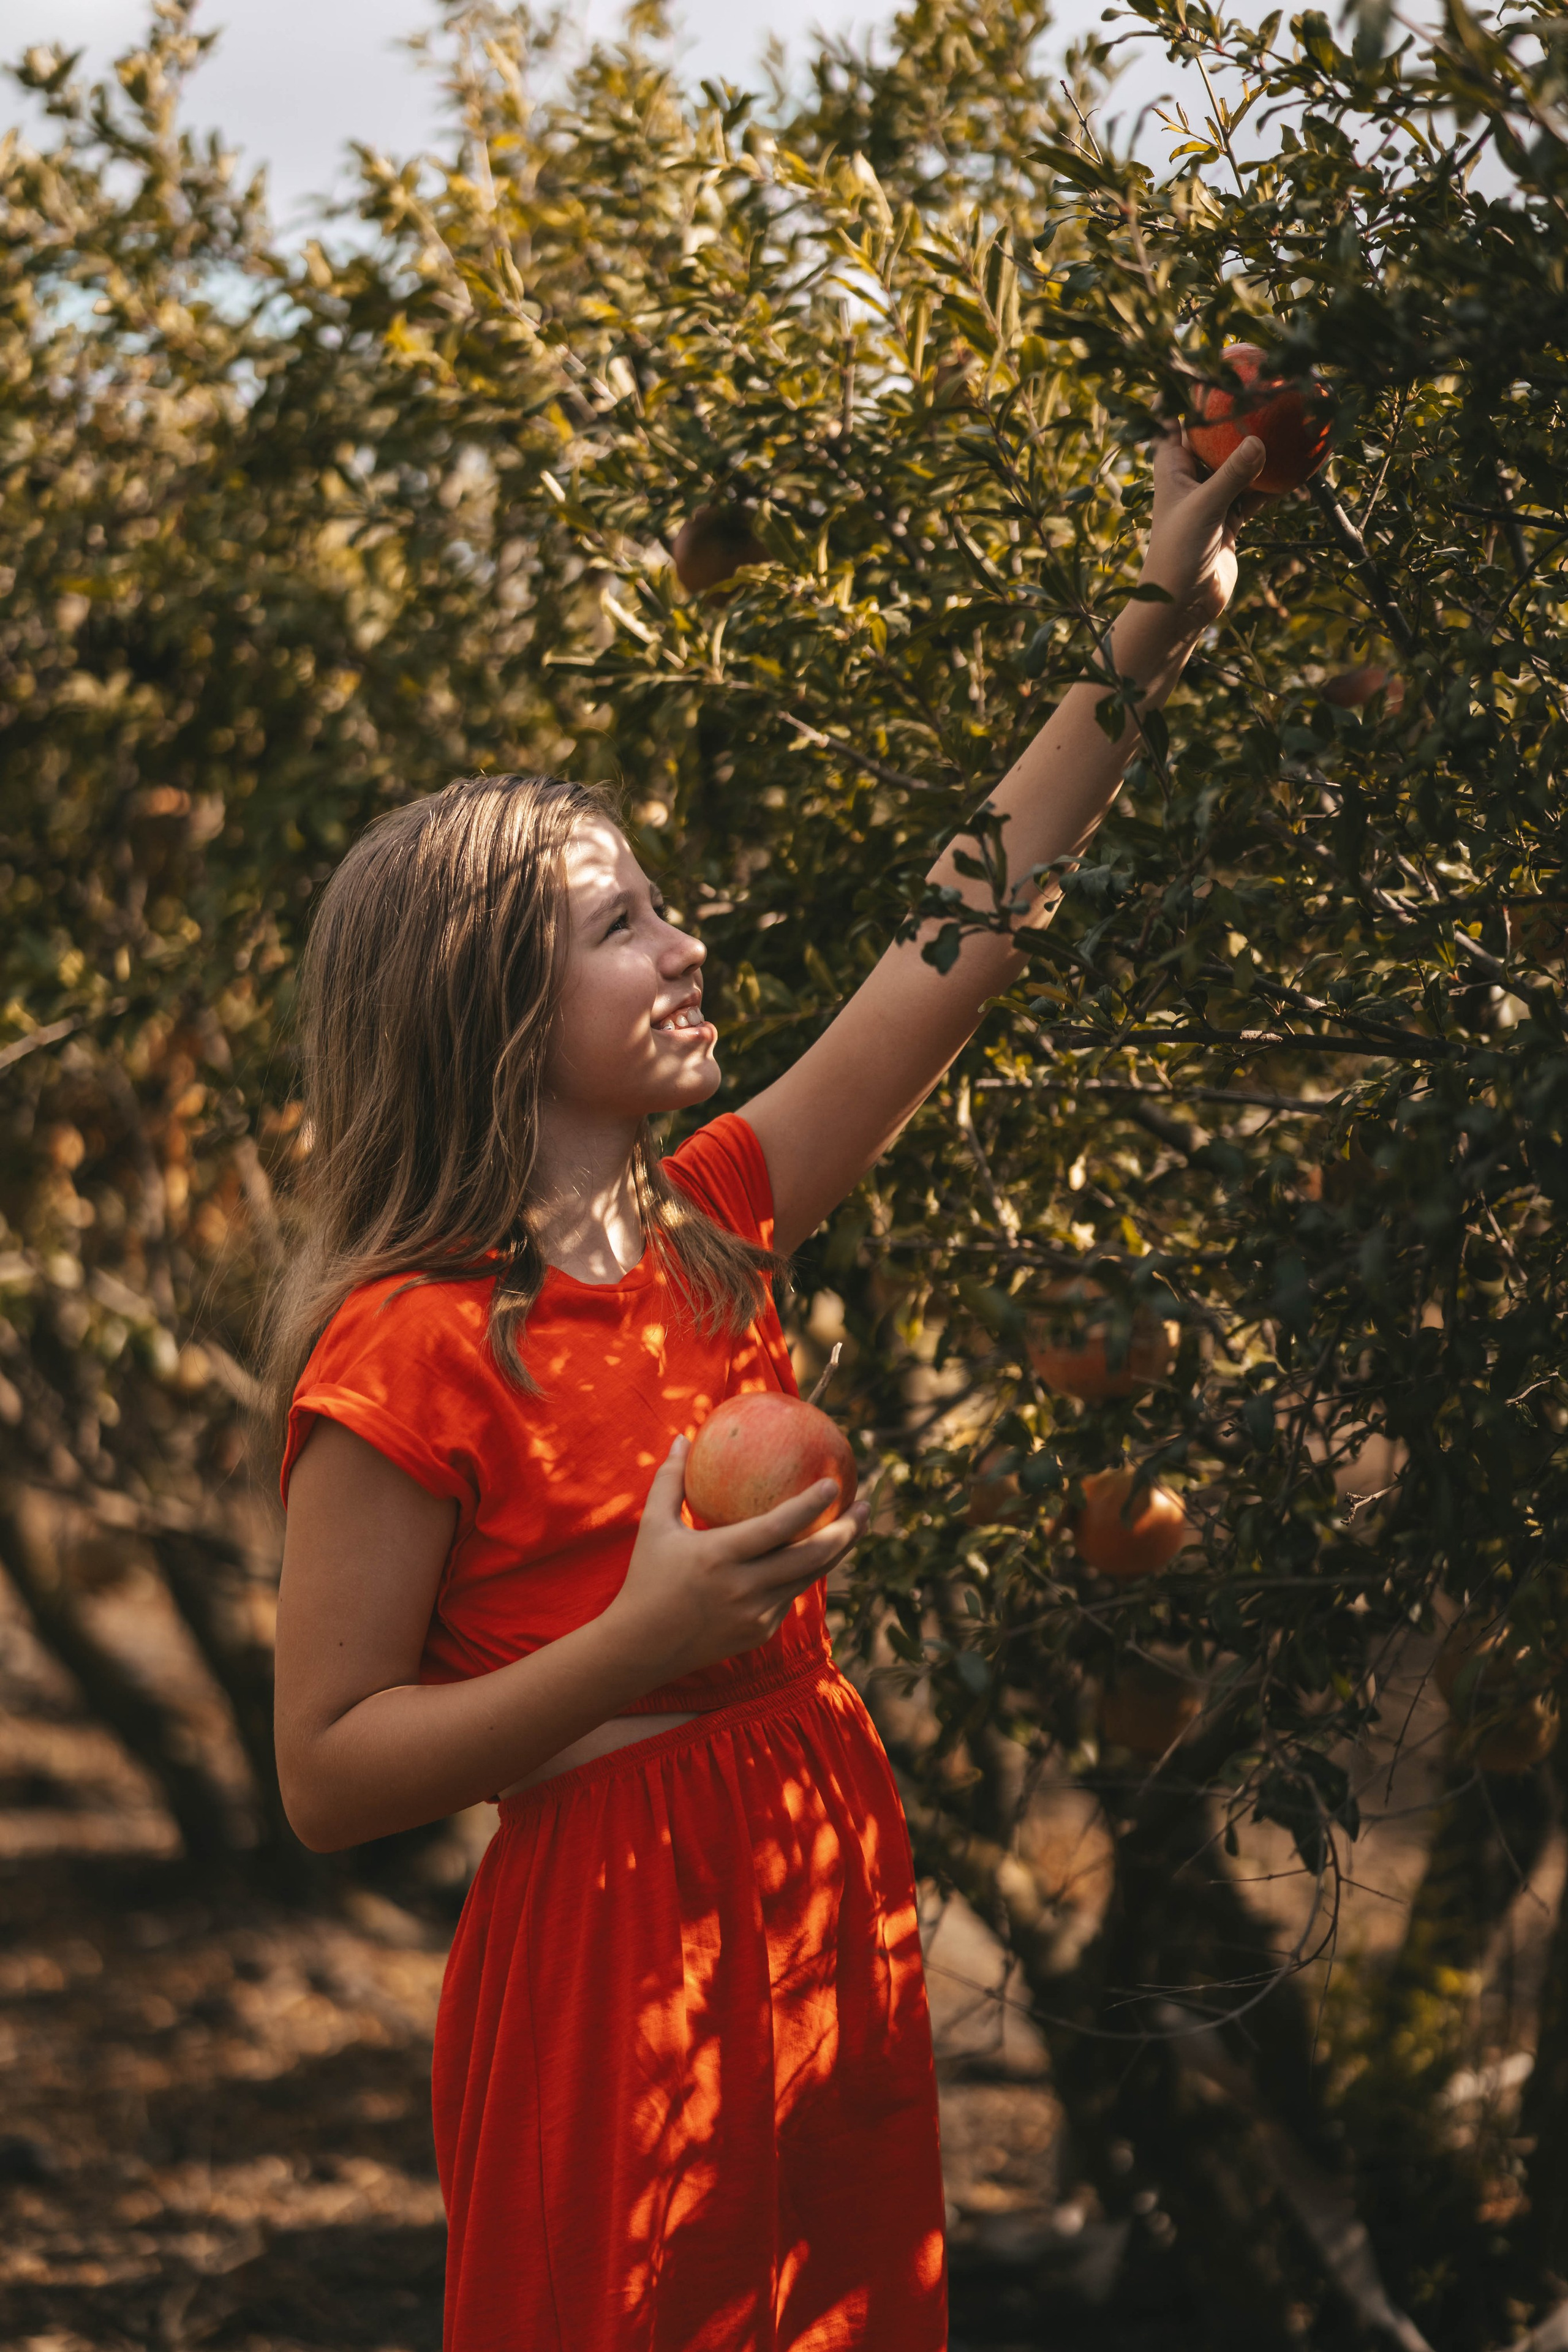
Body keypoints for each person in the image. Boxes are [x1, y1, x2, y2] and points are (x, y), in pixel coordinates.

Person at [268, 425, 1265, 2352]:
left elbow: (954, 949)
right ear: (491, 1009)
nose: (690, 938)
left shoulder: (717, 1217)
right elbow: (326, 1775)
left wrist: (1153, 628)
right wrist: (642, 1637)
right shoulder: (407, 1349)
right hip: (611, 1933)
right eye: (623, 921)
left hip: (815, 1860)